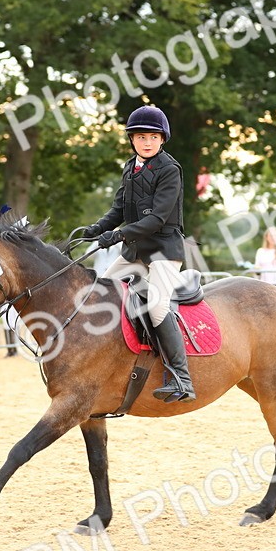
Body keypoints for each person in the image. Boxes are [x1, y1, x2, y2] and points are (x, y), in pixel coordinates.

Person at [81, 105, 194, 403]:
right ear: (132, 139)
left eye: (153, 137)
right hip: (135, 251)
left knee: (157, 306)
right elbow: (119, 210)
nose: (147, 142)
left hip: (163, 251)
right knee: (99, 293)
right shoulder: (130, 167)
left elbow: (157, 218)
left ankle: (181, 377)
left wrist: (118, 235)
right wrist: (97, 228)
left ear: (162, 139)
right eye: (141, 137)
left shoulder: (169, 170)